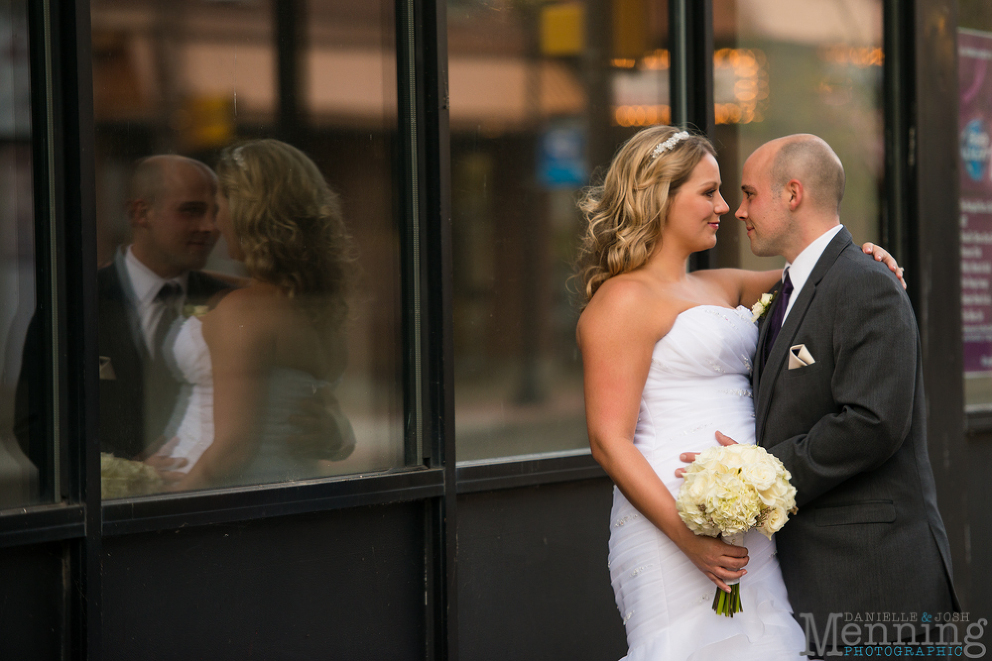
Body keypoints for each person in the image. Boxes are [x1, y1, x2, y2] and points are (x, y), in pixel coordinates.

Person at [575, 126, 904, 660]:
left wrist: (865, 256)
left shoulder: (720, 284)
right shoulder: (621, 301)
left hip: (746, 519)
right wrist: (689, 540)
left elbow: (820, 275)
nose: (726, 207)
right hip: (670, 524)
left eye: (729, 192)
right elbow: (608, 441)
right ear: (660, 195)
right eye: (709, 192)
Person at [689, 134, 957, 653]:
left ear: (793, 193)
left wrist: (755, 475)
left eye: (749, 194)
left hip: (876, 585)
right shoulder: (790, 289)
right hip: (819, 583)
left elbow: (871, 423)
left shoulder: (865, 282)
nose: (738, 210)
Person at [161, 139, 354, 490]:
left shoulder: (245, 311)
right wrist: (342, 435)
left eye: (218, 207)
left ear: (246, 212)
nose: (215, 223)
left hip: (218, 502)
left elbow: (232, 451)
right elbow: (320, 410)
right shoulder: (322, 311)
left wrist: (158, 514)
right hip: (292, 491)